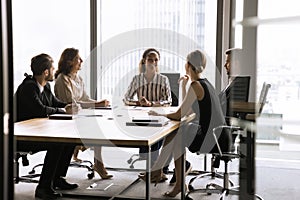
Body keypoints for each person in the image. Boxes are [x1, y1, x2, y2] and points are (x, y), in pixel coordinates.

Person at [140, 50, 230, 197]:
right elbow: (187, 112)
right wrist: (183, 87)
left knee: (177, 133)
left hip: (213, 138)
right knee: (178, 132)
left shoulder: (196, 85)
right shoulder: (204, 83)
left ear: (187, 65)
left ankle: (162, 173)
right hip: (220, 135)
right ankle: (165, 175)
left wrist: (160, 114)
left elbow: (179, 114)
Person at [14, 53, 79, 199]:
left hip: (36, 132)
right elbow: (40, 110)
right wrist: (63, 110)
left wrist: (70, 106)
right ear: (46, 72)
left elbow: (55, 103)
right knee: (57, 144)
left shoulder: (46, 86)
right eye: (52, 67)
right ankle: (43, 188)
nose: (54, 70)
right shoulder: (28, 87)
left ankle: (57, 179)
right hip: (22, 137)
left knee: (69, 141)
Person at [54, 47, 112, 179]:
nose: (81, 61)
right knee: (97, 129)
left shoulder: (78, 78)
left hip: (80, 115)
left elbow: (85, 99)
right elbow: (70, 103)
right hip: (68, 118)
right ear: (69, 62)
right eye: (77, 59)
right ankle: (97, 162)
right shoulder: (62, 79)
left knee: (101, 124)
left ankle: (96, 160)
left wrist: (100, 103)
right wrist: (96, 105)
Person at [124, 48, 172, 175]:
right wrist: (138, 103)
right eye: (150, 59)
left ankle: (155, 169)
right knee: (149, 133)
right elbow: (126, 99)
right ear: (144, 61)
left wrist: (152, 104)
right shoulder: (137, 79)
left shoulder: (163, 79)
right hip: (141, 117)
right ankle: (156, 170)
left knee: (157, 133)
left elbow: (168, 101)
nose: (153, 62)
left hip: (158, 116)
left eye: (156, 60)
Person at [219, 48, 243, 117]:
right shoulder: (232, 83)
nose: (225, 65)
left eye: (227, 62)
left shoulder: (238, 85)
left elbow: (224, 108)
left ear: (236, 63)